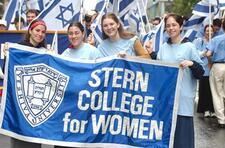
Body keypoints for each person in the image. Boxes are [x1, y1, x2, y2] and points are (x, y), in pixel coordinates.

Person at [155, 13, 204, 148]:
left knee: (183, 141)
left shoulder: (189, 47)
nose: (171, 28)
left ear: (181, 26)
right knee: (166, 140)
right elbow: (158, 71)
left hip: (183, 101)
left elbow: (201, 72)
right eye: (168, 26)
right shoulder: (163, 48)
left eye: (174, 25)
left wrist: (191, 63)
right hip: (166, 102)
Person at [11, 19, 47, 148]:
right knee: (20, 137)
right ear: (30, 31)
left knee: (34, 138)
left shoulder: (44, 52)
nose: (40, 34)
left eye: (43, 32)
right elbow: (9, 71)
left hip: (37, 102)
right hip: (21, 100)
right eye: (37, 30)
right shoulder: (19, 48)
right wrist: (8, 55)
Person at [206, 19, 225, 128]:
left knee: (217, 94)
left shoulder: (216, 39)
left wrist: (210, 62)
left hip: (217, 66)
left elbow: (208, 53)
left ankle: (222, 120)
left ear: (222, 26)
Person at [194, 25, 215, 118]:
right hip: (204, 69)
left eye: (211, 31)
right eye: (207, 30)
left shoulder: (215, 41)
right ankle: (205, 109)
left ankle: (213, 109)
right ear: (204, 31)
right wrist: (203, 53)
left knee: (213, 91)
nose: (209, 32)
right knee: (204, 90)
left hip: (213, 69)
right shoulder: (199, 41)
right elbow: (195, 53)